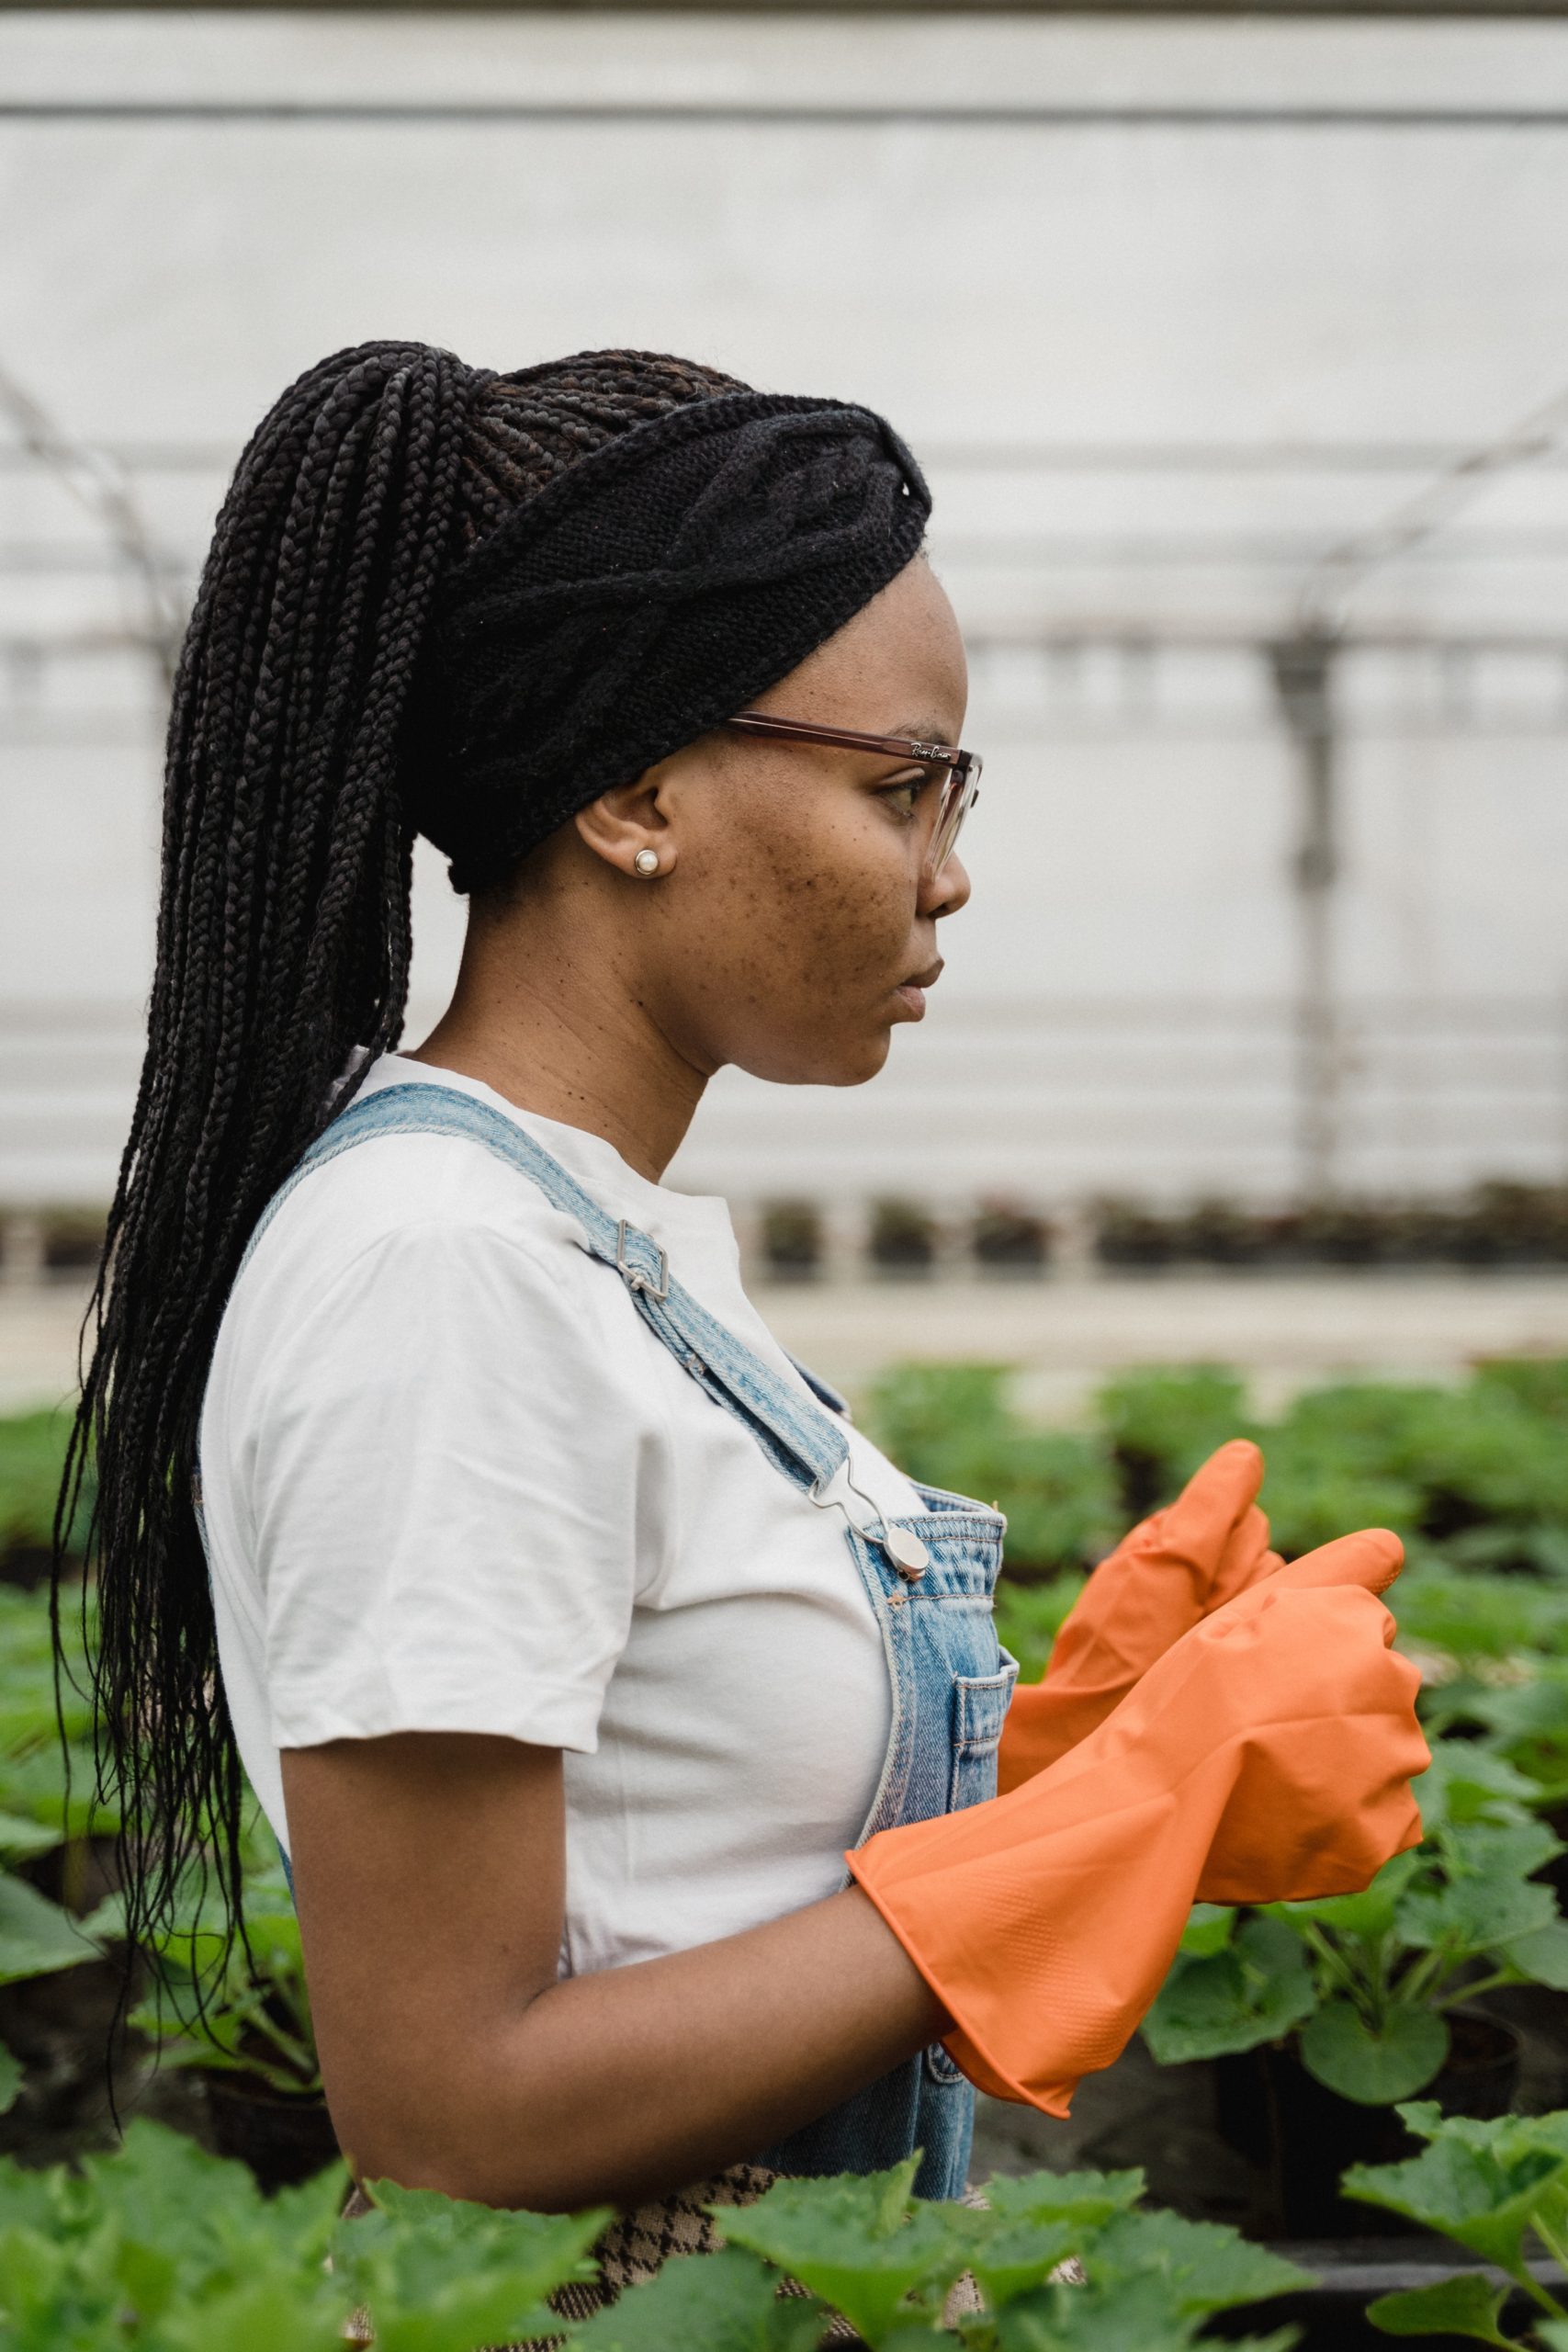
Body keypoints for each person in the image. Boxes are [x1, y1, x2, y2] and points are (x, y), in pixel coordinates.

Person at [59, 344, 1427, 2278]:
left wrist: (1060, 1755)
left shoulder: (585, 1234)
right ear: (633, 793)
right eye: (901, 787)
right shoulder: (444, 1273)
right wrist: (1097, 1820)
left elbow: (674, 1867)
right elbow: (449, 2104)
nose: (946, 877)